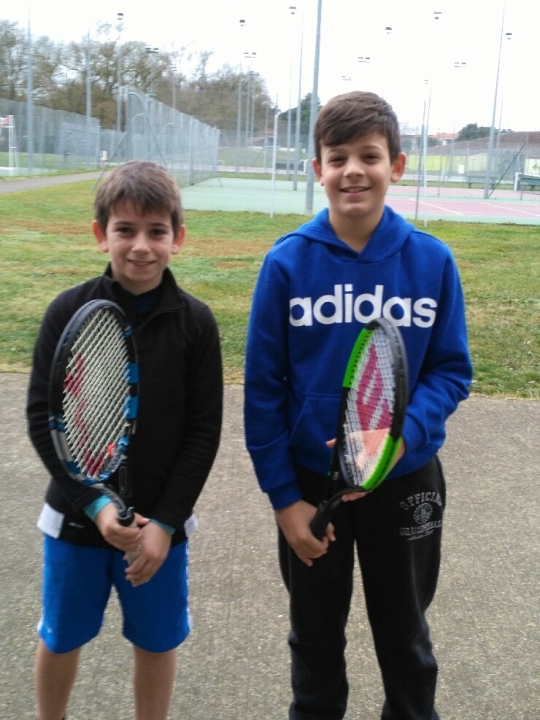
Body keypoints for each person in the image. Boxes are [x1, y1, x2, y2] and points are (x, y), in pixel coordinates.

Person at [244, 91, 472, 720]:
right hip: (311, 488)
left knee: (406, 639)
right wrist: (284, 500)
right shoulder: (287, 263)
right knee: (315, 641)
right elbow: (262, 391)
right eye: (337, 157)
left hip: (404, 479)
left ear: (395, 165)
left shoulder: (431, 261)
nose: (353, 171)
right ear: (317, 168)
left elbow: (451, 371)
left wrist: (402, 436)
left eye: (369, 156)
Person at [27, 160, 223, 720]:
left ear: (177, 238)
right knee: (61, 636)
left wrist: (164, 524)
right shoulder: (67, 311)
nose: (141, 246)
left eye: (156, 231)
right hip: (75, 521)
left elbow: (203, 432)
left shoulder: (196, 323)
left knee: (157, 643)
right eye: (125, 230)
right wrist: (93, 504)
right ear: (100, 234)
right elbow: (42, 418)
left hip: (159, 528)